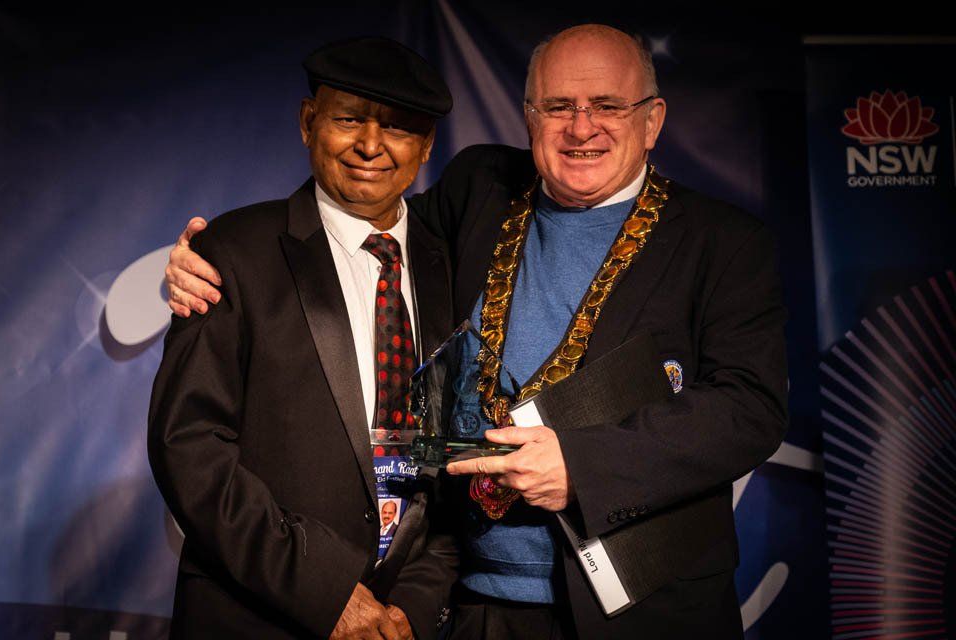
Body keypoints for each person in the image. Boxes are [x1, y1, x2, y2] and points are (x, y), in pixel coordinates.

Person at [164, 25, 788, 640]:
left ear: (652, 121)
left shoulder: (726, 244)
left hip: (642, 610)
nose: (580, 127)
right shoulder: (480, 189)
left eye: (607, 106)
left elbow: (751, 410)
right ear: (527, 116)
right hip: (472, 605)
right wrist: (207, 260)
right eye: (557, 106)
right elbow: (356, 225)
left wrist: (583, 463)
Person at [148, 37, 458, 640]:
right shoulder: (232, 254)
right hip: (253, 618)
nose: (371, 145)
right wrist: (327, 593)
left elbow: (443, 459)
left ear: (425, 147)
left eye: (397, 127)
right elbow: (188, 446)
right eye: (348, 119)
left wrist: (411, 613)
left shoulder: (450, 267)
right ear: (308, 122)